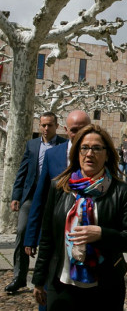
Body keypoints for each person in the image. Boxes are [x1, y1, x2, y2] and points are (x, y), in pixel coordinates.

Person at [32, 124, 127, 310]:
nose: (89, 154)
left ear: (107, 154)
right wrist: (39, 280)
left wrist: (102, 234)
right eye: (84, 148)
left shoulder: (122, 192)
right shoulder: (59, 187)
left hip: (105, 286)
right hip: (62, 283)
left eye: (97, 148)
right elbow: (47, 237)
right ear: (77, 152)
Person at [5, 112, 67, 295]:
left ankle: (51, 276)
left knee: (53, 237)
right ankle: (19, 276)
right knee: (22, 232)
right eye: (43, 125)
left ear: (56, 126)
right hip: (31, 197)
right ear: (39, 126)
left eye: (49, 125)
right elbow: (22, 172)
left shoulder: (64, 146)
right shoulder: (32, 145)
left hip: (54, 198)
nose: (46, 128)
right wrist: (16, 196)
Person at [24, 110, 92, 257]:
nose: (79, 134)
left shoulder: (101, 154)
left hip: (90, 231)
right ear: (66, 131)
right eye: (74, 130)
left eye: (83, 129)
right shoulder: (52, 155)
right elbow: (40, 196)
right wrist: (31, 236)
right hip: (56, 230)